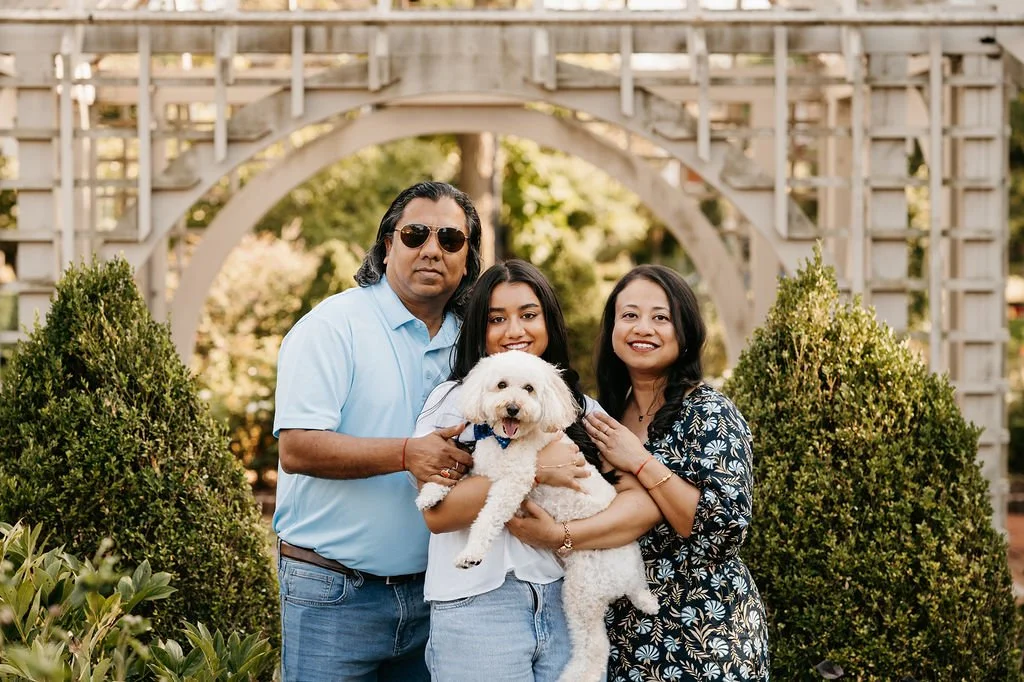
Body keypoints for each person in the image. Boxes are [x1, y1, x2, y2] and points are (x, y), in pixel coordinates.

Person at [510, 264, 770, 681]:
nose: (642, 328)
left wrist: (641, 461)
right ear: (612, 329)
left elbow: (723, 530)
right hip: (625, 637)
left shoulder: (709, 413)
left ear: (685, 332)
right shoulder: (604, 414)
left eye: (660, 317)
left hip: (703, 633)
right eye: (629, 315)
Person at [272, 181, 483, 682]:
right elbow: (298, 448)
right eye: (415, 234)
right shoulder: (332, 327)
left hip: (439, 596)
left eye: (451, 240)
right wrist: (408, 453)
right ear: (387, 246)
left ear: (467, 258)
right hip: (333, 594)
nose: (432, 249)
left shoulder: (472, 343)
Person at [413, 259, 659, 682]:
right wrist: (538, 469)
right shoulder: (454, 403)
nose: (514, 331)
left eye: (529, 315)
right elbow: (438, 515)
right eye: (497, 319)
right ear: (479, 328)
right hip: (478, 605)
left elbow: (641, 506)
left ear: (549, 321)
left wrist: (562, 536)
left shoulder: (580, 409)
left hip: (563, 599)